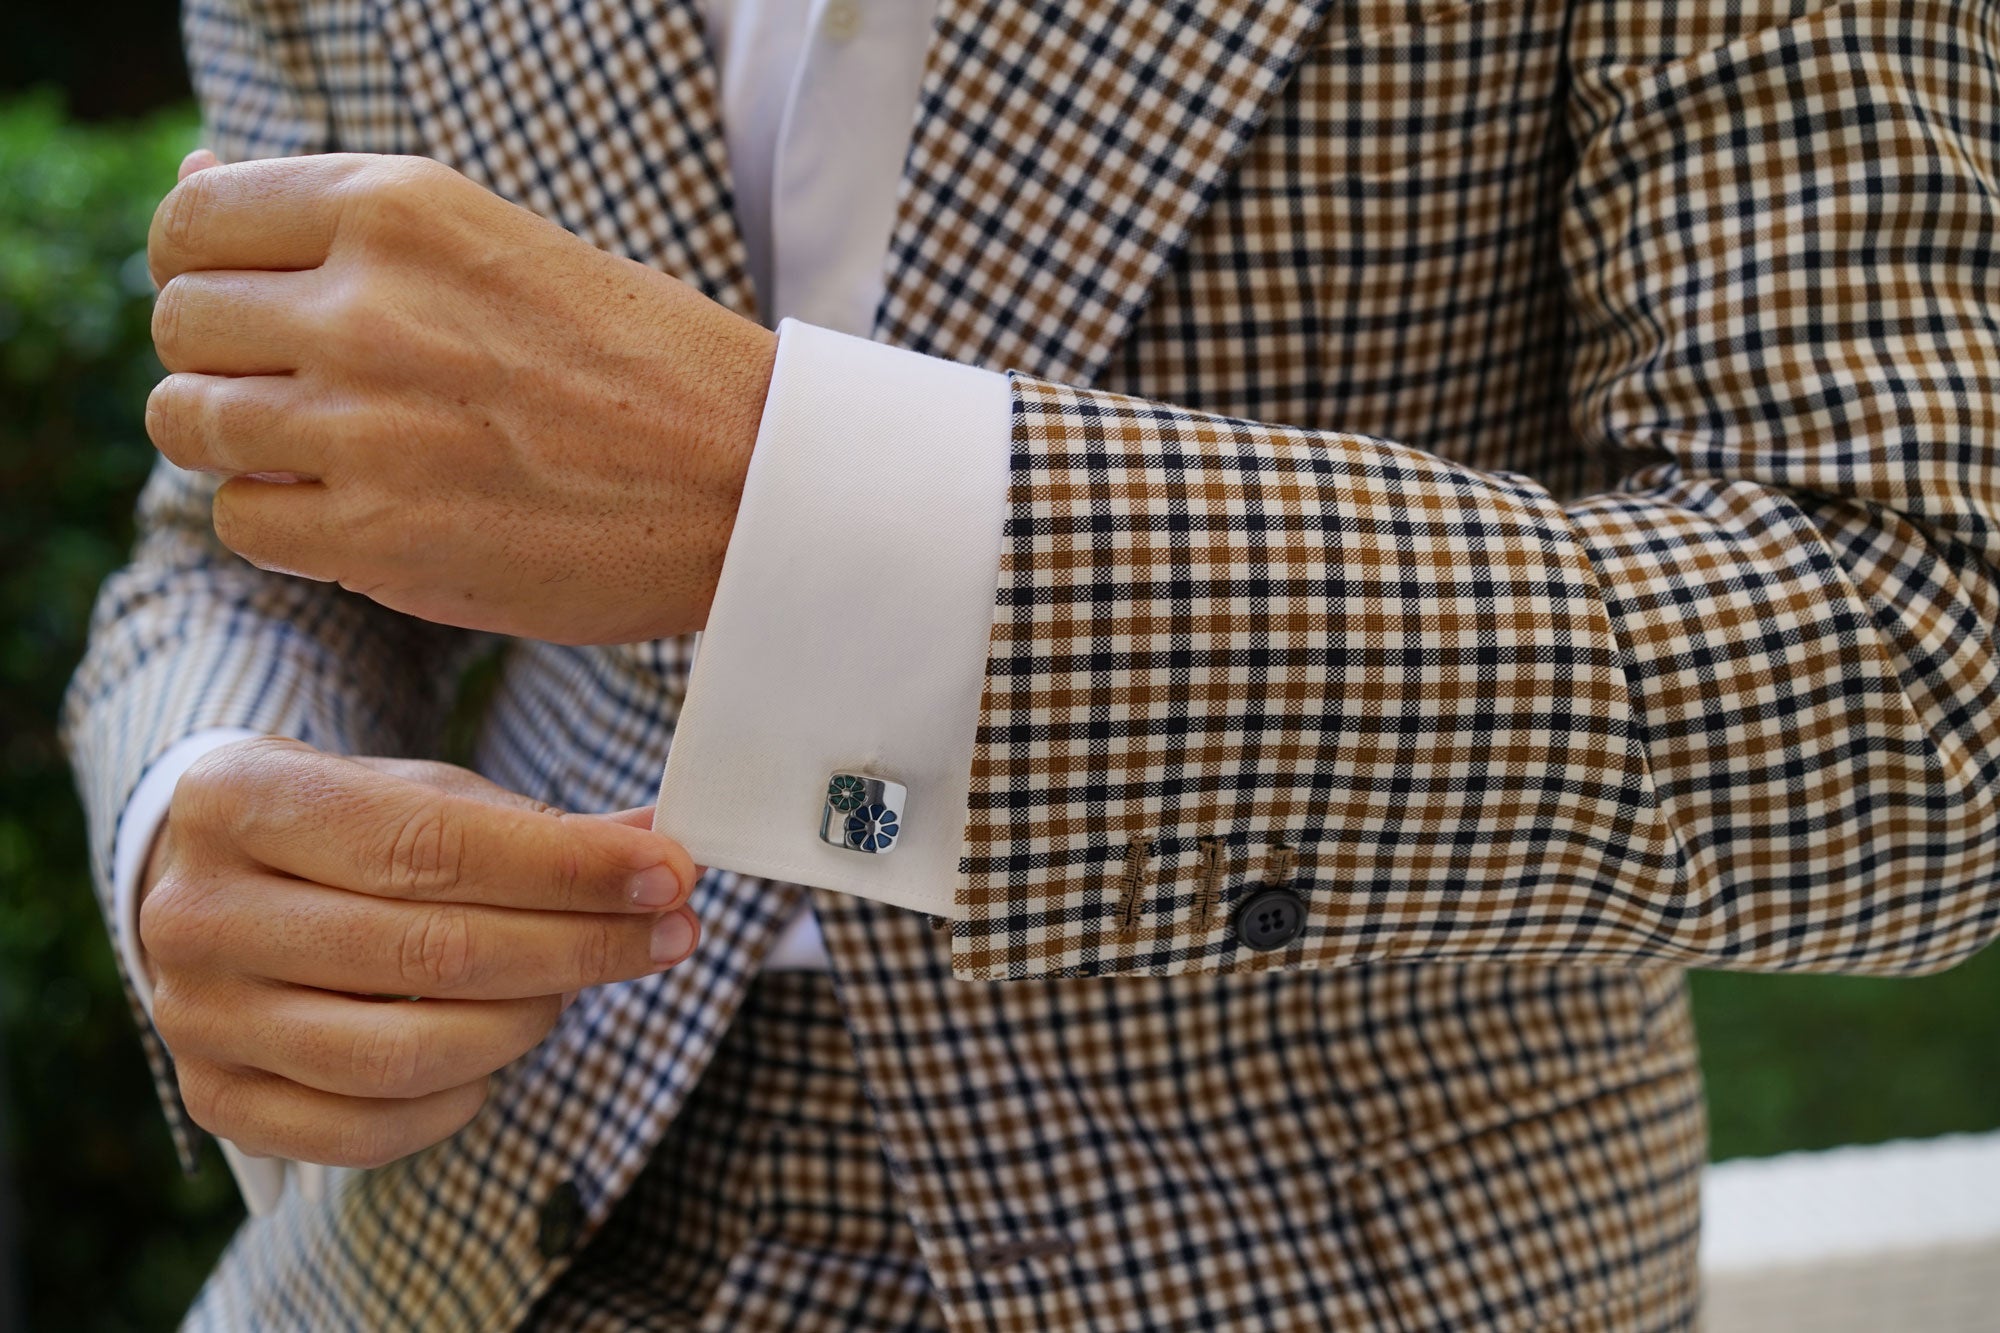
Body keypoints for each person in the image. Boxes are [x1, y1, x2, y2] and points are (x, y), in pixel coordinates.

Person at [62, 0, 2000, 1326]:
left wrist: (809, 514)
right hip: (469, 1230)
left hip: (1324, 1250)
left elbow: (1908, 663)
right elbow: (245, 501)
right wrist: (205, 805)